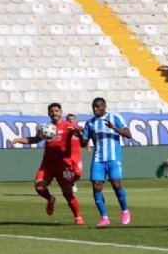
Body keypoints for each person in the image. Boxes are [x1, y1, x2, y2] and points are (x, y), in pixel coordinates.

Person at [11, 103, 85, 225]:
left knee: (67, 192)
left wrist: (78, 133)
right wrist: (19, 140)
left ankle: (77, 217)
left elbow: (82, 139)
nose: (54, 113)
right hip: (47, 165)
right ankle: (50, 199)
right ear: (48, 113)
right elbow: (35, 139)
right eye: (51, 111)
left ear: (61, 112)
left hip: (63, 165)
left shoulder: (68, 126)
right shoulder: (46, 127)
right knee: (39, 187)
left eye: (56, 111)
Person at [80, 97, 133, 227]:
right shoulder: (90, 123)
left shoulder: (115, 118)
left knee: (116, 184)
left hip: (113, 158)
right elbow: (83, 143)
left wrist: (113, 127)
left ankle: (125, 211)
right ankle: (104, 217)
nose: (95, 109)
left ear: (104, 106)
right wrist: (78, 134)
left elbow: (128, 134)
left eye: (98, 107)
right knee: (96, 186)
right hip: (98, 159)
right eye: (93, 107)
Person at [66, 113, 84, 193]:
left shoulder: (79, 128)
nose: (71, 120)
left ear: (75, 120)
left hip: (77, 156)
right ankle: (68, 185)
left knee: (78, 173)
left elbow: (85, 136)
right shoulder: (64, 129)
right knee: (67, 173)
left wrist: (88, 146)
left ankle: (72, 182)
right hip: (66, 155)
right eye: (69, 119)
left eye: (72, 119)